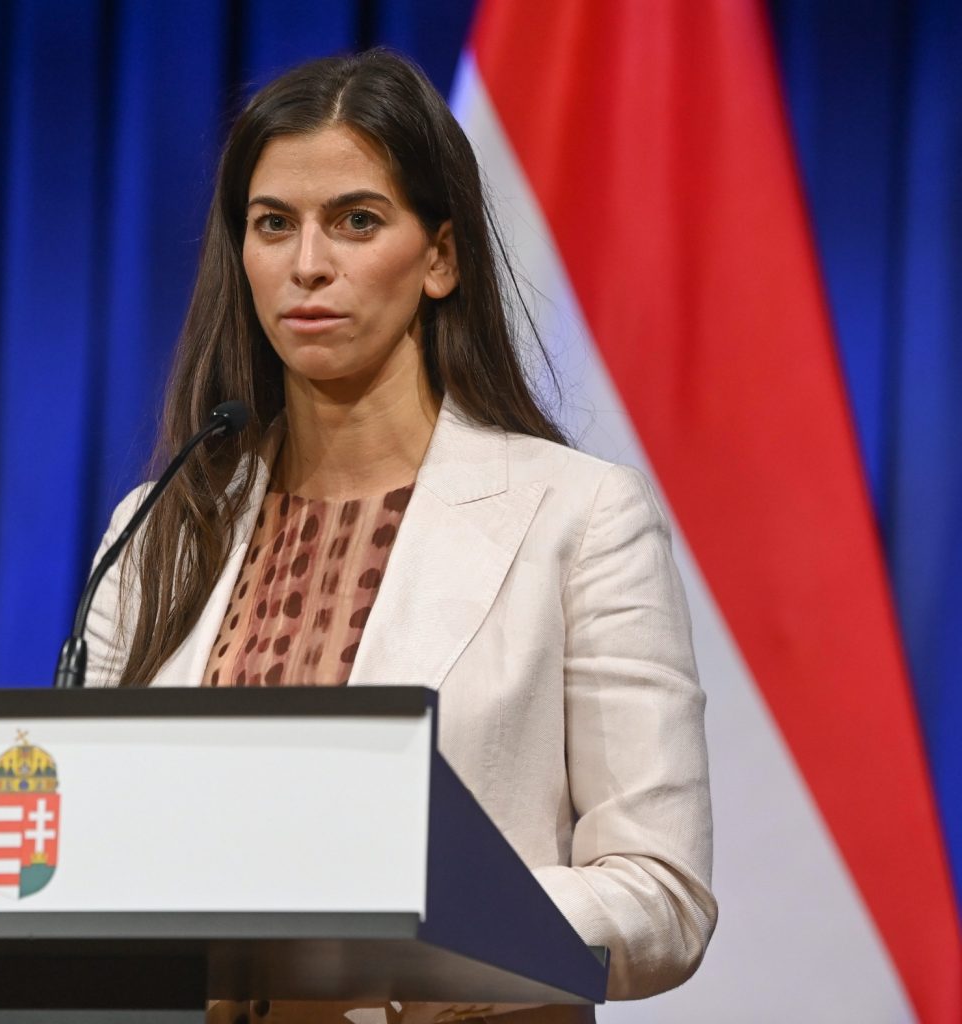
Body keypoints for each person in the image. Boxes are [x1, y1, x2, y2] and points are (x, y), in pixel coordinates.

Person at [83, 49, 714, 1023]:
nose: (308, 264)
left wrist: (417, 936)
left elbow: (661, 893)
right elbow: (88, 849)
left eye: (356, 221)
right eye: (273, 224)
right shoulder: (158, 526)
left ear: (440, 258)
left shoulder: (580, 516)